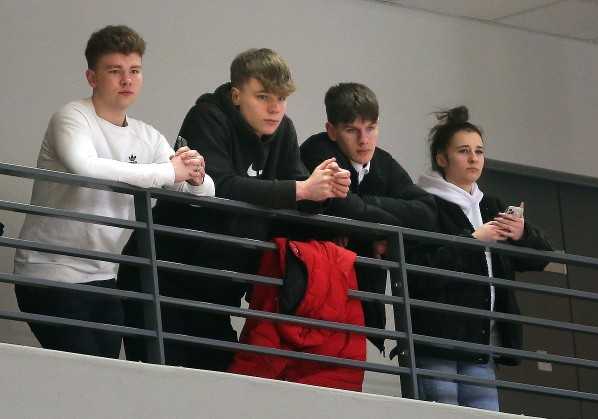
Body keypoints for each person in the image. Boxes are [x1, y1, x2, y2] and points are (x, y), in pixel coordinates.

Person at [117, 48, 351, 371]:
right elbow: (221, 186)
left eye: (282, 98)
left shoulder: (283, 130)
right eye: (263, 97)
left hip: (216, 292)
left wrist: (325, 190)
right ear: (236, 95)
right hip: (161, 277)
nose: (275, 108)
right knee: (162, 385)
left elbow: (299, 189)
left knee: (217, 386)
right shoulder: (207, 116)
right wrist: (301, 189)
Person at [12, 25, 215, 359]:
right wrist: (168, 172)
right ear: (92, 77)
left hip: (104, 277)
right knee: (83, 377)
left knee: (104, 379)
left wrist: (195, 174)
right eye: (115, 71)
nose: (127, 80)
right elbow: (87, 167)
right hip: (49, 273)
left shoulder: (147, 135)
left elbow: (203, 194)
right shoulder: (72, 116)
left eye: (134, 70)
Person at [408, 105, 553, 410]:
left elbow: (542, 257)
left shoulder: (491, 206)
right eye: (464, 151)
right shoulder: (423, 205)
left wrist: (522, 233)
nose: (474, 158)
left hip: (480, 347)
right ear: (442, 159)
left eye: (479, 151)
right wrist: (474, 241)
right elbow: (421, 272)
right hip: (437, 342)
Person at [300, 82, 437, 352]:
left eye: (371, 128)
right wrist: (382, 231)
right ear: (332, 131)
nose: (364, 140)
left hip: (359, 301)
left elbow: (427, 213)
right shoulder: (317, 151)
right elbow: (342, 207)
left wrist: (368, 218)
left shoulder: (383, 162)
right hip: (310, 295)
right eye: (352, 130)